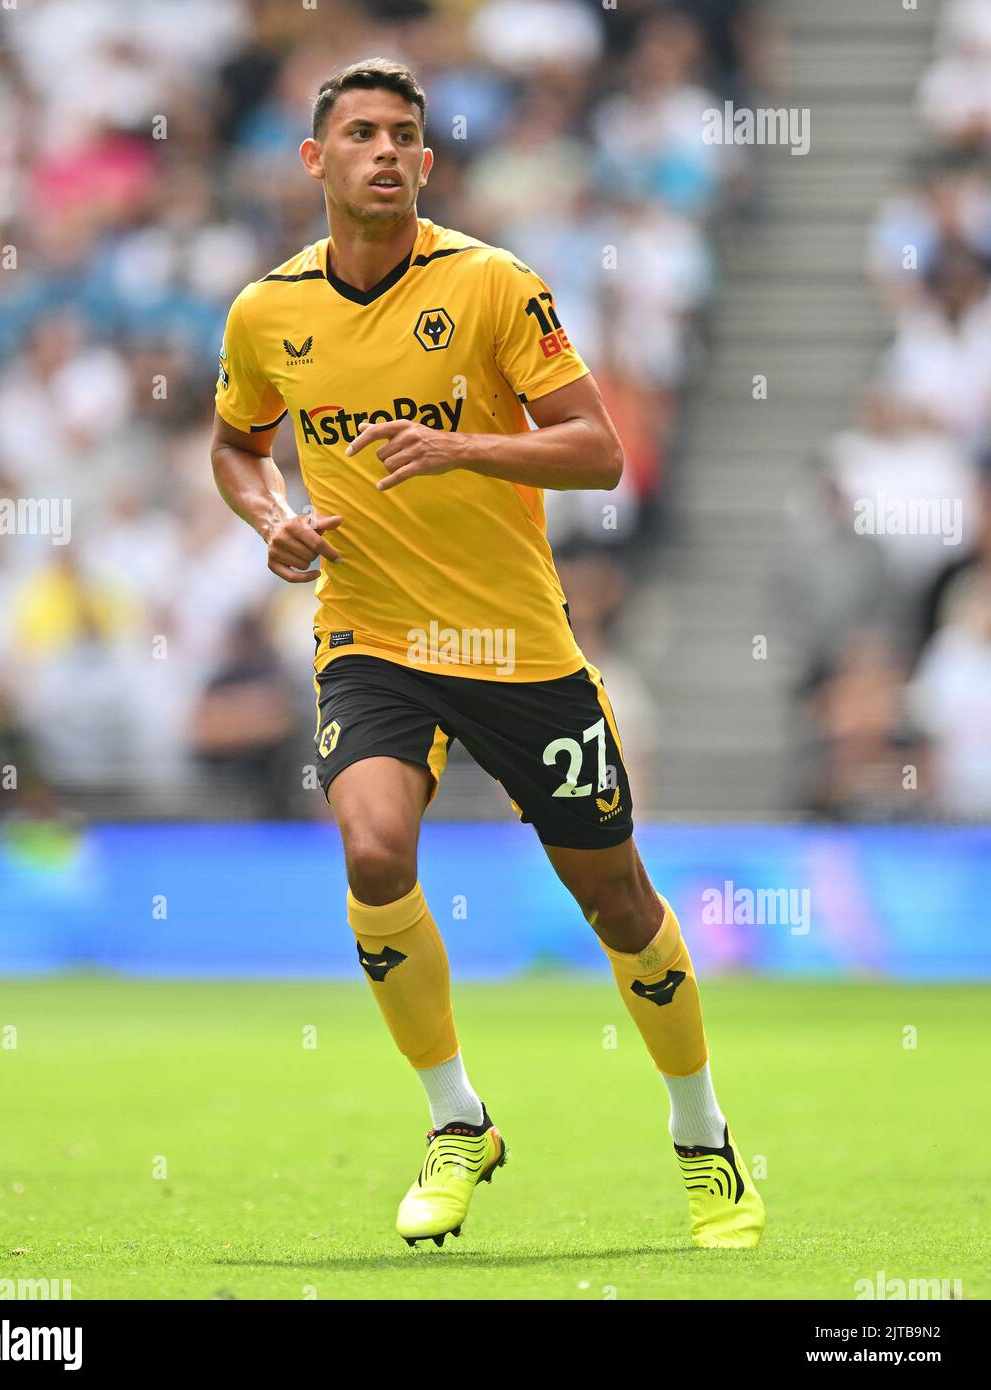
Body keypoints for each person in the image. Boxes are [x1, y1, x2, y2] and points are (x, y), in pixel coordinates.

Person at [209, 58, 764, 1250]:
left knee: (615, 897)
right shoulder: (266, 311)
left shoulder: (493, 284)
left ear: (427, 157)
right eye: (359, 133)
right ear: (314, 161)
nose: (385, 152)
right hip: (373, 637)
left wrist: (461, 450)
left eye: (404, 134)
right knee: (369, 847)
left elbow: (597, 451)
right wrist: (274, 522)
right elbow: (236, 446)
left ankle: (702, 1135)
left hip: (516, 645)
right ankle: (457, 1120)